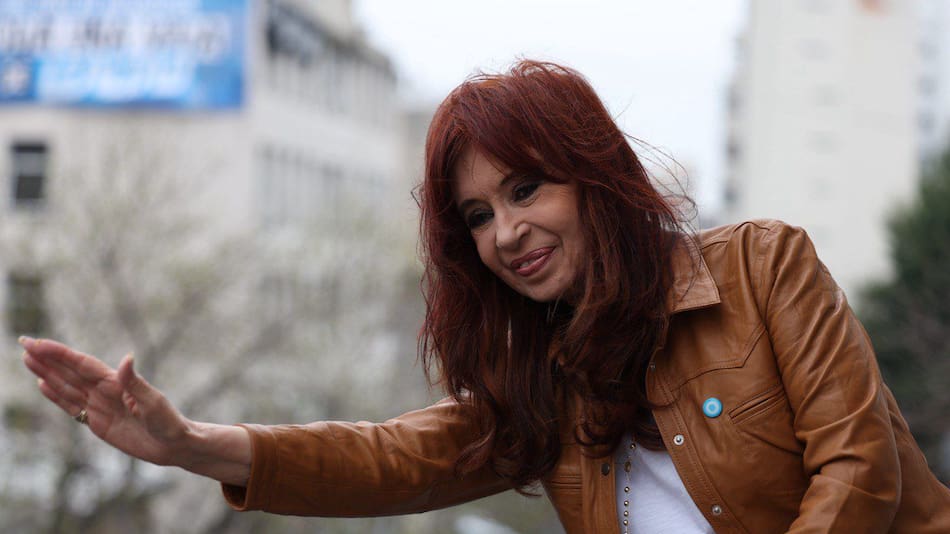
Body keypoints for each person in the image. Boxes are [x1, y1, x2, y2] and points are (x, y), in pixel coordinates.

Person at [20, 60, 950, 533]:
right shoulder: (544, 381)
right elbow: (394, 458)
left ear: (598, 179)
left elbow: (858, 470)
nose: (503, 232)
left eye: (525, 189)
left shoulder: (763, 268)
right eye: (475, 214)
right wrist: (190, 445)